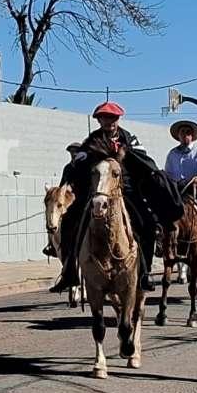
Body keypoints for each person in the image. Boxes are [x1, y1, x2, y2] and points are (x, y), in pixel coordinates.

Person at [49, 100, 172, 294]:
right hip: (96, 191)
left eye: (113, 118)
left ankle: (144, 273)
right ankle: (69, 272)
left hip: (126, 191)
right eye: (105, 118)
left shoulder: (130, 140)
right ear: (99, 121)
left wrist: (134, 163)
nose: (109, 122)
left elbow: (143, 160)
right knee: (70, 221)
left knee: (147, 223)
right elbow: (78, 163)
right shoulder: (91, 141)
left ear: (118, 119)